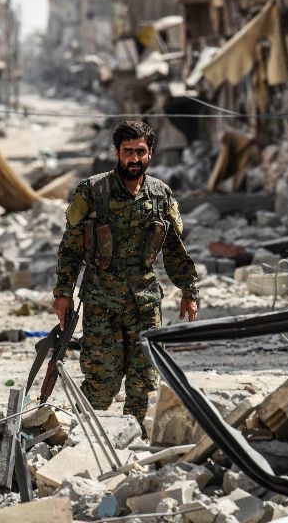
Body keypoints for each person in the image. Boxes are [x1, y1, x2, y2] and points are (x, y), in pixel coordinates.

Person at [51, 120, 199, 430]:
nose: (134, 159)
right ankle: (85, 438)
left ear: (150, 153)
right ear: (117, 153)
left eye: (140, 152)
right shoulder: (92, 191)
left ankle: (135, 439)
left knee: (144, 378)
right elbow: (71, 248)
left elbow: (174, 249)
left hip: (144, 300)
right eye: (127, 152)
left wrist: (189, 291)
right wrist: (62, 294)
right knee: (101, 379)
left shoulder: (160, 194)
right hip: (101, 299)